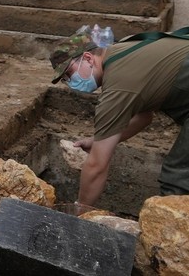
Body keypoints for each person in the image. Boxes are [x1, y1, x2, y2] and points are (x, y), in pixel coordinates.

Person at [50, 27, 189, 207]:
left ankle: (171, 229)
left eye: (69, 73)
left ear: (88, 58)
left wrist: (80, 211)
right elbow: (144, 116)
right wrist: (97, 140)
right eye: (65, 79)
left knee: (177, 176)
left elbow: (97, 166)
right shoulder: (124, 49)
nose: (69, 82)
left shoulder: (117, 86)